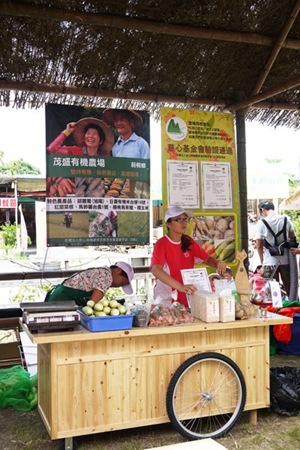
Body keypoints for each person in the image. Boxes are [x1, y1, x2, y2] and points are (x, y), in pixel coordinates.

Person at [150, 206, 227, 307]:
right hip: (167, 299)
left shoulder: (188, 241)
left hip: (187, 296)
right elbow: (156, 269)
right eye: (179, 220)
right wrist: (180, 286)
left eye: (185, 219)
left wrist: (217, 264)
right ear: (168, 224)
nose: (184, 223)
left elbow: (207, 258)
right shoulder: (161, 244)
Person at [45, 262, 134, 307]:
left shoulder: (102, 272)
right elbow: (91, 304)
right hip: (62, 300)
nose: (119, 286)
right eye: (122, 282)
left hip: (59, 297)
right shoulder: (107, 276)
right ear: (118, 270)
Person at [255, 200, 295, 298]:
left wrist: (262, 262)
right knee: (290, 289)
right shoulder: (286, 219)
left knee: (273, 293)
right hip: (286, 261)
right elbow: (293, 239)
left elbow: (259, 245)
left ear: (263, 210)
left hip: (270, 262)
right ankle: (292, 310)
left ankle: (276, 312)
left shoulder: (261, 223)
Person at [47, 117, 114, 156]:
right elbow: (52, 149)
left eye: (94, 134)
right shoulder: (75, 151)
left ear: (101, 141)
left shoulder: (105, 157)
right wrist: (67, 131)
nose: (90, 136)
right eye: (88, 133)